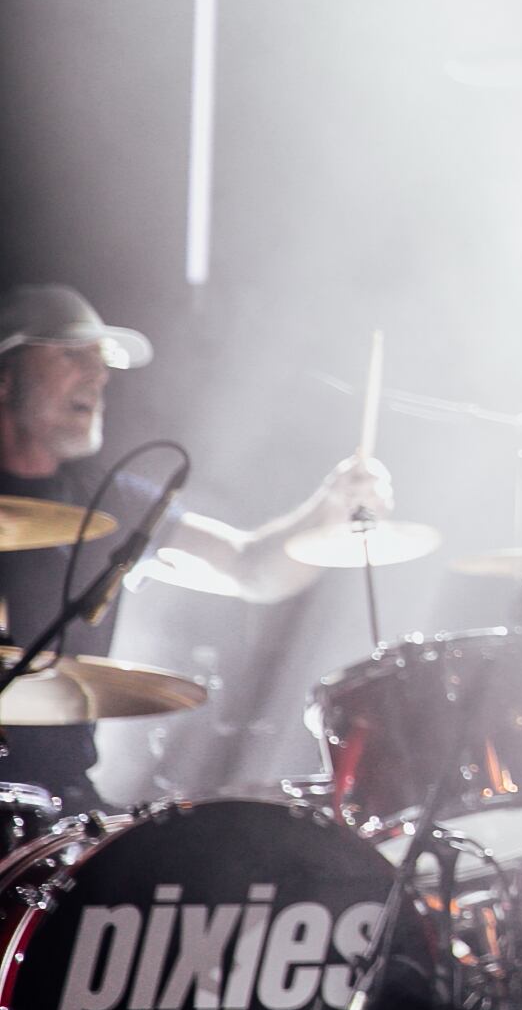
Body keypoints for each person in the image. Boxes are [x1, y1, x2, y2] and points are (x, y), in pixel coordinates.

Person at [0, 282, 391, 809]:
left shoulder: (111, 500)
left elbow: (251, 568)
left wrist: (329, 508)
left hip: (62, 806)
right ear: (6, 378)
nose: (98, 375)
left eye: (101, 360)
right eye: (72, 357)